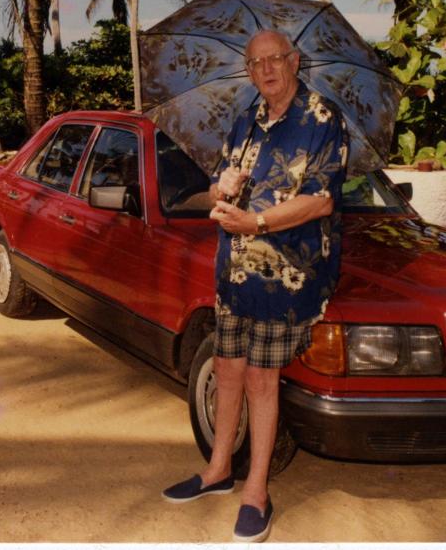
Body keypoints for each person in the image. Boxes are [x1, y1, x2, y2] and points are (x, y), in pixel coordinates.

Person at [162, 29, 348, 542]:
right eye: (256, 62)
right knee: (227, 367)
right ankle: (218, 470)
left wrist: (257, 223)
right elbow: (220, 182)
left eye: (275, 60)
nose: (266, 70)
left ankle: (256, 493)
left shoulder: (321, 119)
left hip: (284, 274)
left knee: (263, 379)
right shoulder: (247, 120)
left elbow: (321, 201)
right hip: (235, 270)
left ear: (294, 61)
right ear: (248, 71)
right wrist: (220, 187)